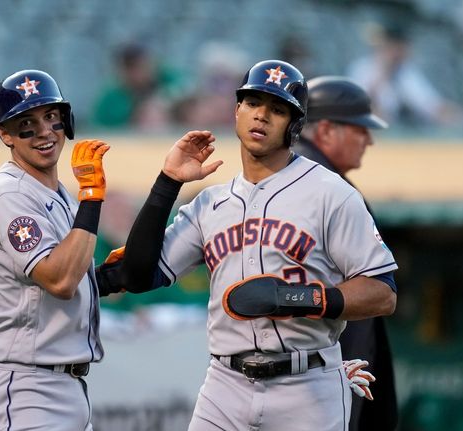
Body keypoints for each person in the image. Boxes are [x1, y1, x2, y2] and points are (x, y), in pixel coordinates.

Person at [96, 60, 398, 431]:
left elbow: (383, 293)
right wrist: (167, 182)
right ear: (237, 110)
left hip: (307, 384)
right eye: (253, 103)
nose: (261, 116)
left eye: (277, 109)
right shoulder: (210, 204)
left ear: (295, 125)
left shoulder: (332, 193)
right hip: (226, 383)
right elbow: (139, 275)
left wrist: (297, 298)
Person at [0, 69, 112, 430]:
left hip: (58, 385)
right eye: (27, 122)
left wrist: (102, 280)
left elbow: (63, 282)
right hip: (25, 389)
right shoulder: (9, 194)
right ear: (4, 133)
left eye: (51, 117)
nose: (44, 131)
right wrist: (92, 198)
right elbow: (60, 280)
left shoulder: (56, 194)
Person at [293, 76, 398, 431]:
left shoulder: (292, 175)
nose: (368, 139)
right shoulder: (329, 187)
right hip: (323, 368)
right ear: (325, 130)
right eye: (359, 129)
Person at [347, 22, 462, 129]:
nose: (399, 52)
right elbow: (361, 109)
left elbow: (432, 107)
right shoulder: (362, 68)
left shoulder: (405, 72)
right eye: (394, 46)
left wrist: (462, 116)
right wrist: (383, 73)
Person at [89, 42, 183, 130]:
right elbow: (99, 129)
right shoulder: (111, 97)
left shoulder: (164, 75)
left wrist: (161, 101)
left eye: (140, 65)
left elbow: (185, 87)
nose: (138, 73)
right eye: (131, 67)